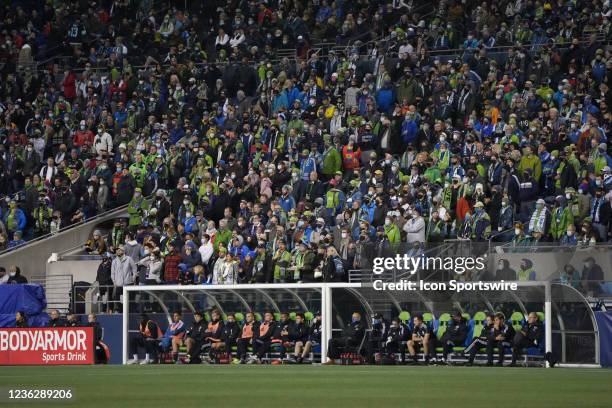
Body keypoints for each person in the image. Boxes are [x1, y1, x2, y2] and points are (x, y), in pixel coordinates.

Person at [110, 246, 136, 312]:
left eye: (119, 250)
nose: (117, 251)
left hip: (128, 283)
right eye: (116, 250)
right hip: (119, 285)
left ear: (123, 251)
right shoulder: (114, 261)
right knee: (120, 301)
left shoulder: (129, 259)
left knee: (129, 299)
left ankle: (130, 312)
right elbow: (112, 273)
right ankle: (121, 312)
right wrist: (114, 282)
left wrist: (133, 278)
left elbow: (134, 268)